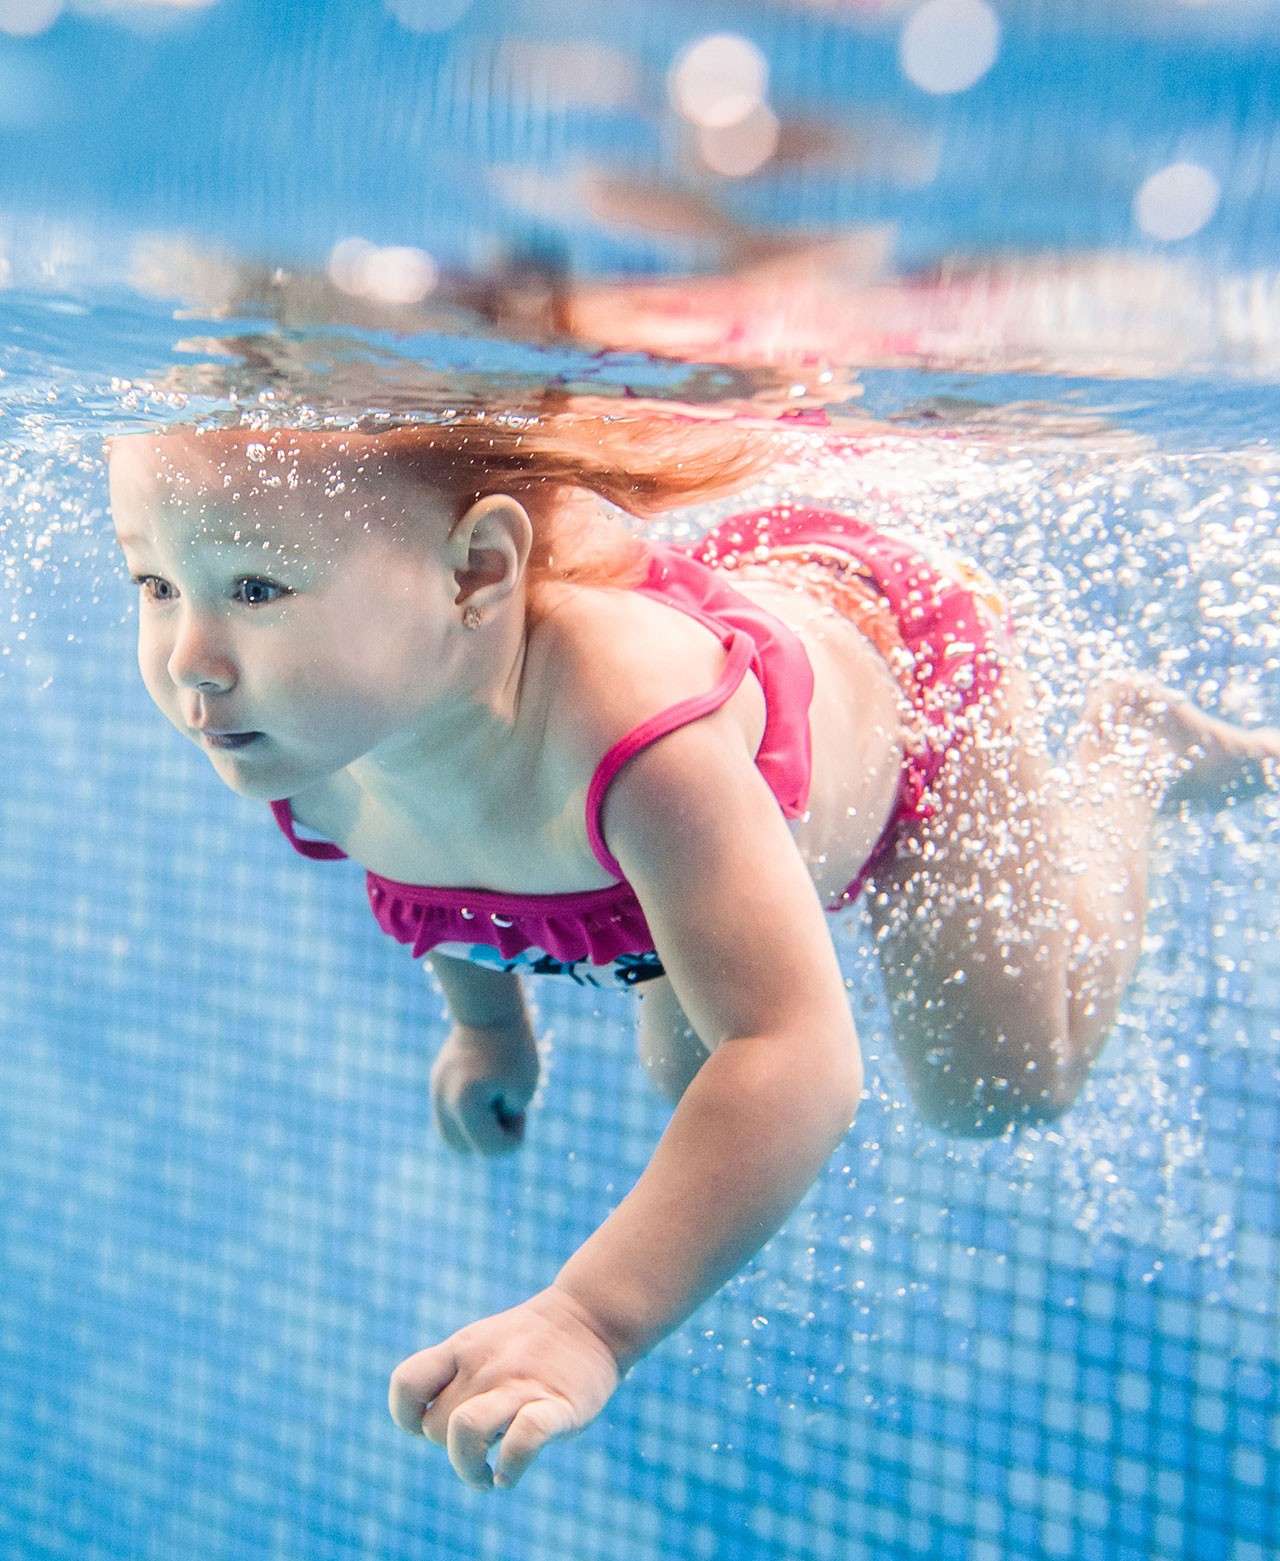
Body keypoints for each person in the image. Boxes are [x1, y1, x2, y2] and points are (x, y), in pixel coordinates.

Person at [107, 410, 1278, 1492]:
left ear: (473, 572)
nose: (190, 659)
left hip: (904, 688)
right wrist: (486, 1025)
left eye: (253, 588)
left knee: (993, 1086)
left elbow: (796, 1058)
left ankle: (1134, 754)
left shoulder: (635, 741)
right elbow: (433, 873)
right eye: (156, 583)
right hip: (706, 760)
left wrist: (588, 1319)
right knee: (687, 1077)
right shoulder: (316, 739)